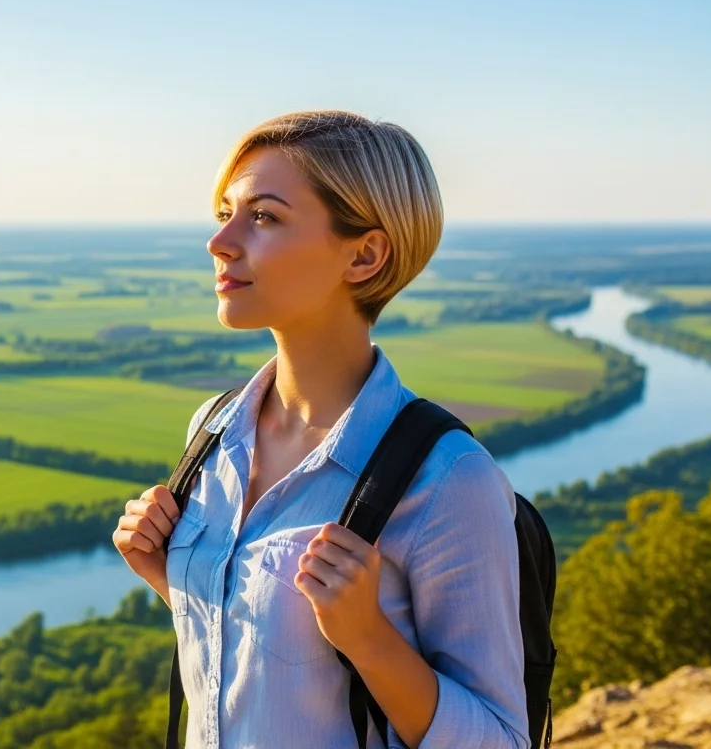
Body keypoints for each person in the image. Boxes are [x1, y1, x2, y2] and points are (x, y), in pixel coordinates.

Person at [112, 111, 528, 748]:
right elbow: (266, 666)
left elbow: (502, 740)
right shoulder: (213, 433)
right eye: (225, 212)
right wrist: (167, 576)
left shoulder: (448, 479)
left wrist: (369, 640)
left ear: (364, 255)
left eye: (265, 216)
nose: (220, 242)